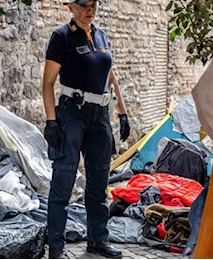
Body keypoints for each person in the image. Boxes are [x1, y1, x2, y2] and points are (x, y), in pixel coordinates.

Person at [41, 0, 130, 258]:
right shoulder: (61, 37)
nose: (89, 10)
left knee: (99, 180)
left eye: (93, 4)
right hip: (72, 114)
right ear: (71, 7)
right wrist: (51, 121)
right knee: (64, 179)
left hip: (100, 115)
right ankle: (56, 246)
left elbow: (110, 76)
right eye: (83, 5)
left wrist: (122, 113)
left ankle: (97, 240)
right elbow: (47, 83)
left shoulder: (101, 35)